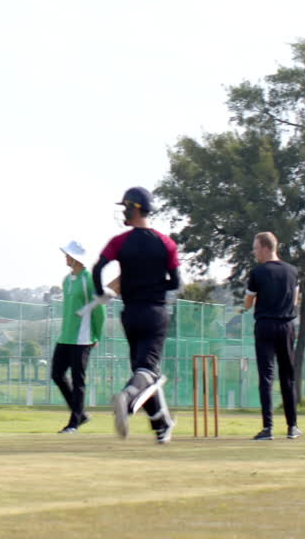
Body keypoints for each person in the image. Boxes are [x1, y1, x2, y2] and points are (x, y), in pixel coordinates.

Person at [89, 186, 181, 444]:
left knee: (145, 371)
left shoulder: (119, 242)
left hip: (130, 314)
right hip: (155, 313)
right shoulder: (166, 243)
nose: (124, 213)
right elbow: (175, 283)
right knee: (147, 372)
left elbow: (98, 269)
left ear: (134, 209)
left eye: (126, 208)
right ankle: (127, 397)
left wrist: (101, 292)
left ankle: (162, 426)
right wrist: (153, 285)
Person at [244, 232, 301, 440]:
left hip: (265, 325)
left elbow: (248, 302)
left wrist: (252, 304)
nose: (254, 252)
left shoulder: (257, 273)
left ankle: (268, 427)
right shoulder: (293, 271)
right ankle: (292, 426)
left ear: (267, 248)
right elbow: (295, 300)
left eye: (256, 248)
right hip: (286, 326)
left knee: (266, 377)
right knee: (288, 377)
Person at [52, 241, 107, 434]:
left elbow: (100, 308)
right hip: (65, 336)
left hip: (83, 339)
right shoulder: (67, 280)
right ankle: (80, 413)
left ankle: (74, 423)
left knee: (78, 381)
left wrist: (96, 334)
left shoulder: (88, 279)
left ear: (76, 258)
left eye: (68, 254)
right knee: (56, 374)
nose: (65, 257)